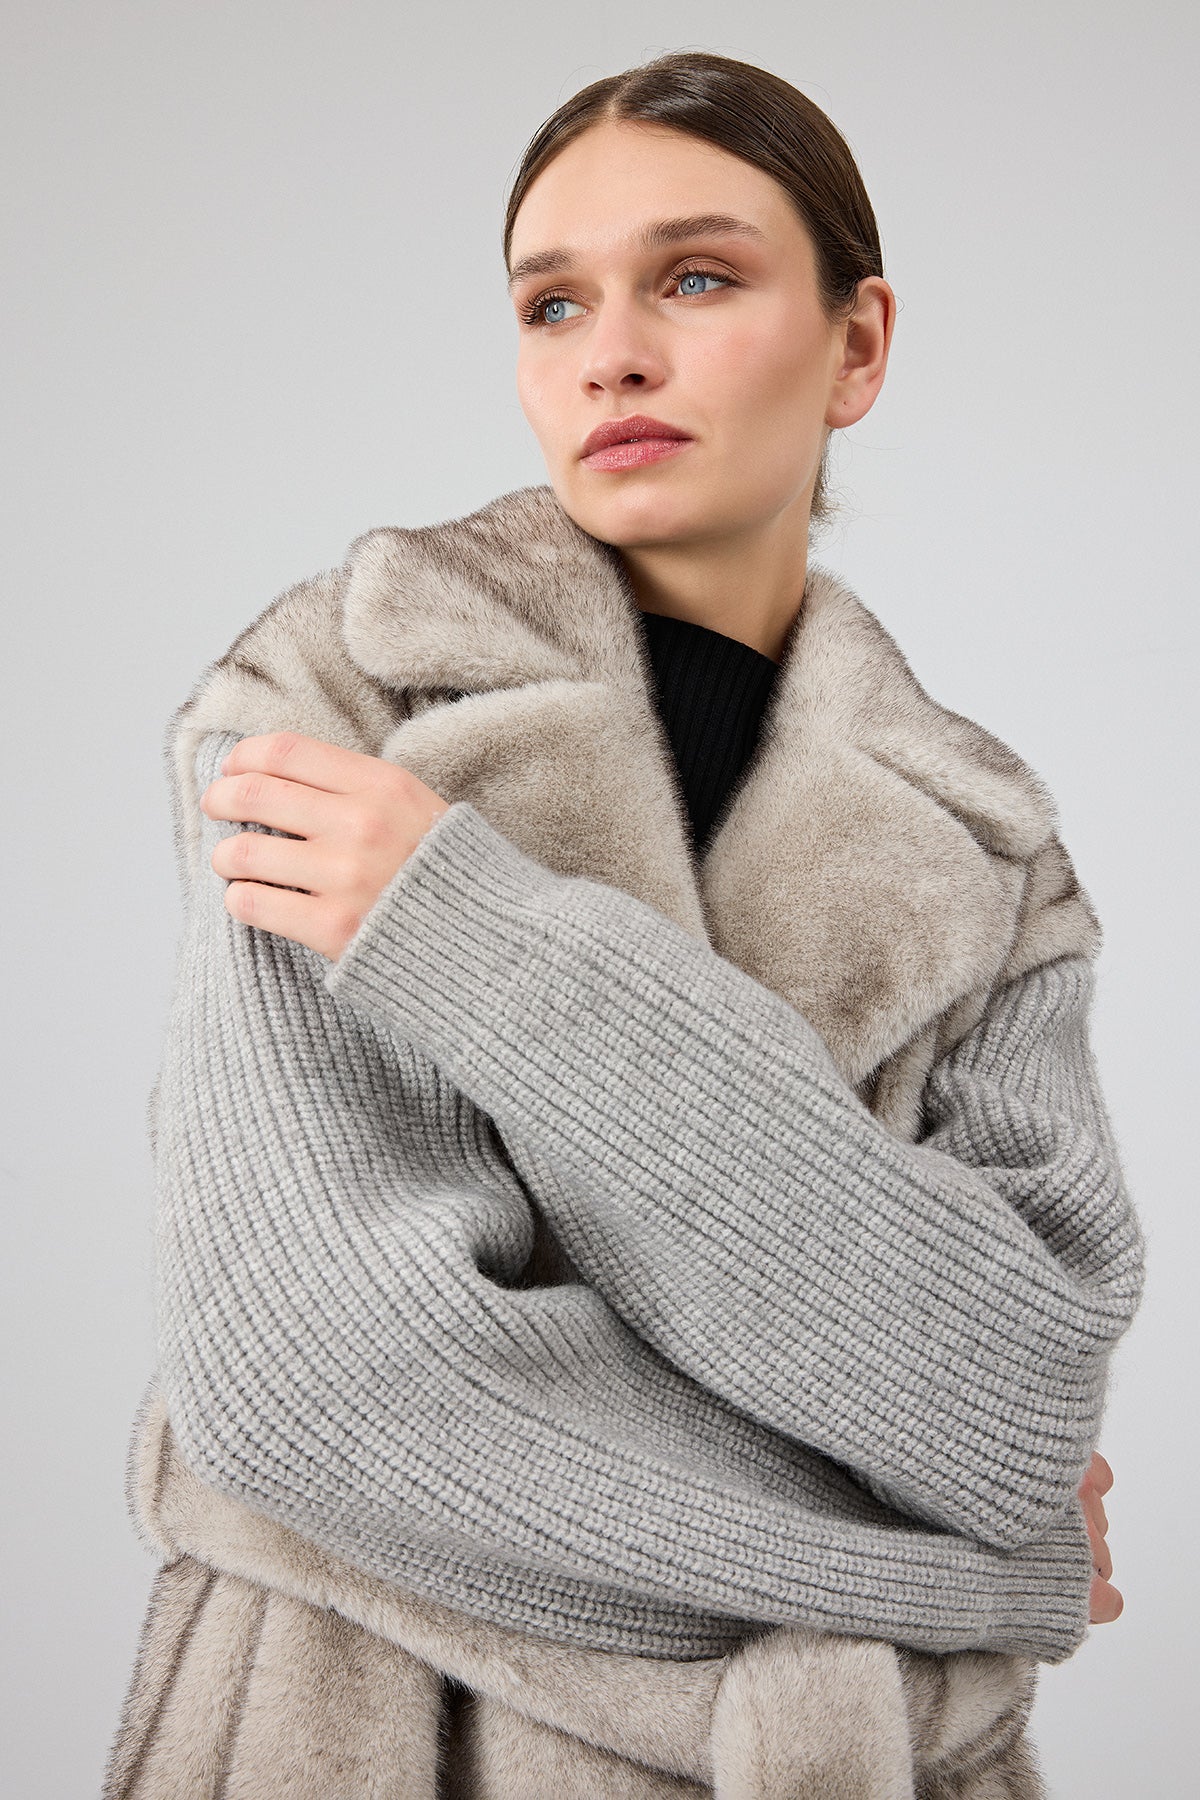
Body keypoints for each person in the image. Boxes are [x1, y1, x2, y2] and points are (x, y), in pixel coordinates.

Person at [103, 50, 1143, 1799]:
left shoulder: (992, 852)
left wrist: (480, 946)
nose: (612, 354)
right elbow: (331, 1389)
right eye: (553, 303)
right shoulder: (328, 703)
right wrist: (989, 1577)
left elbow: (1017, 1402)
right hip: (368, 1743)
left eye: (699, 278)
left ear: (859, 345)